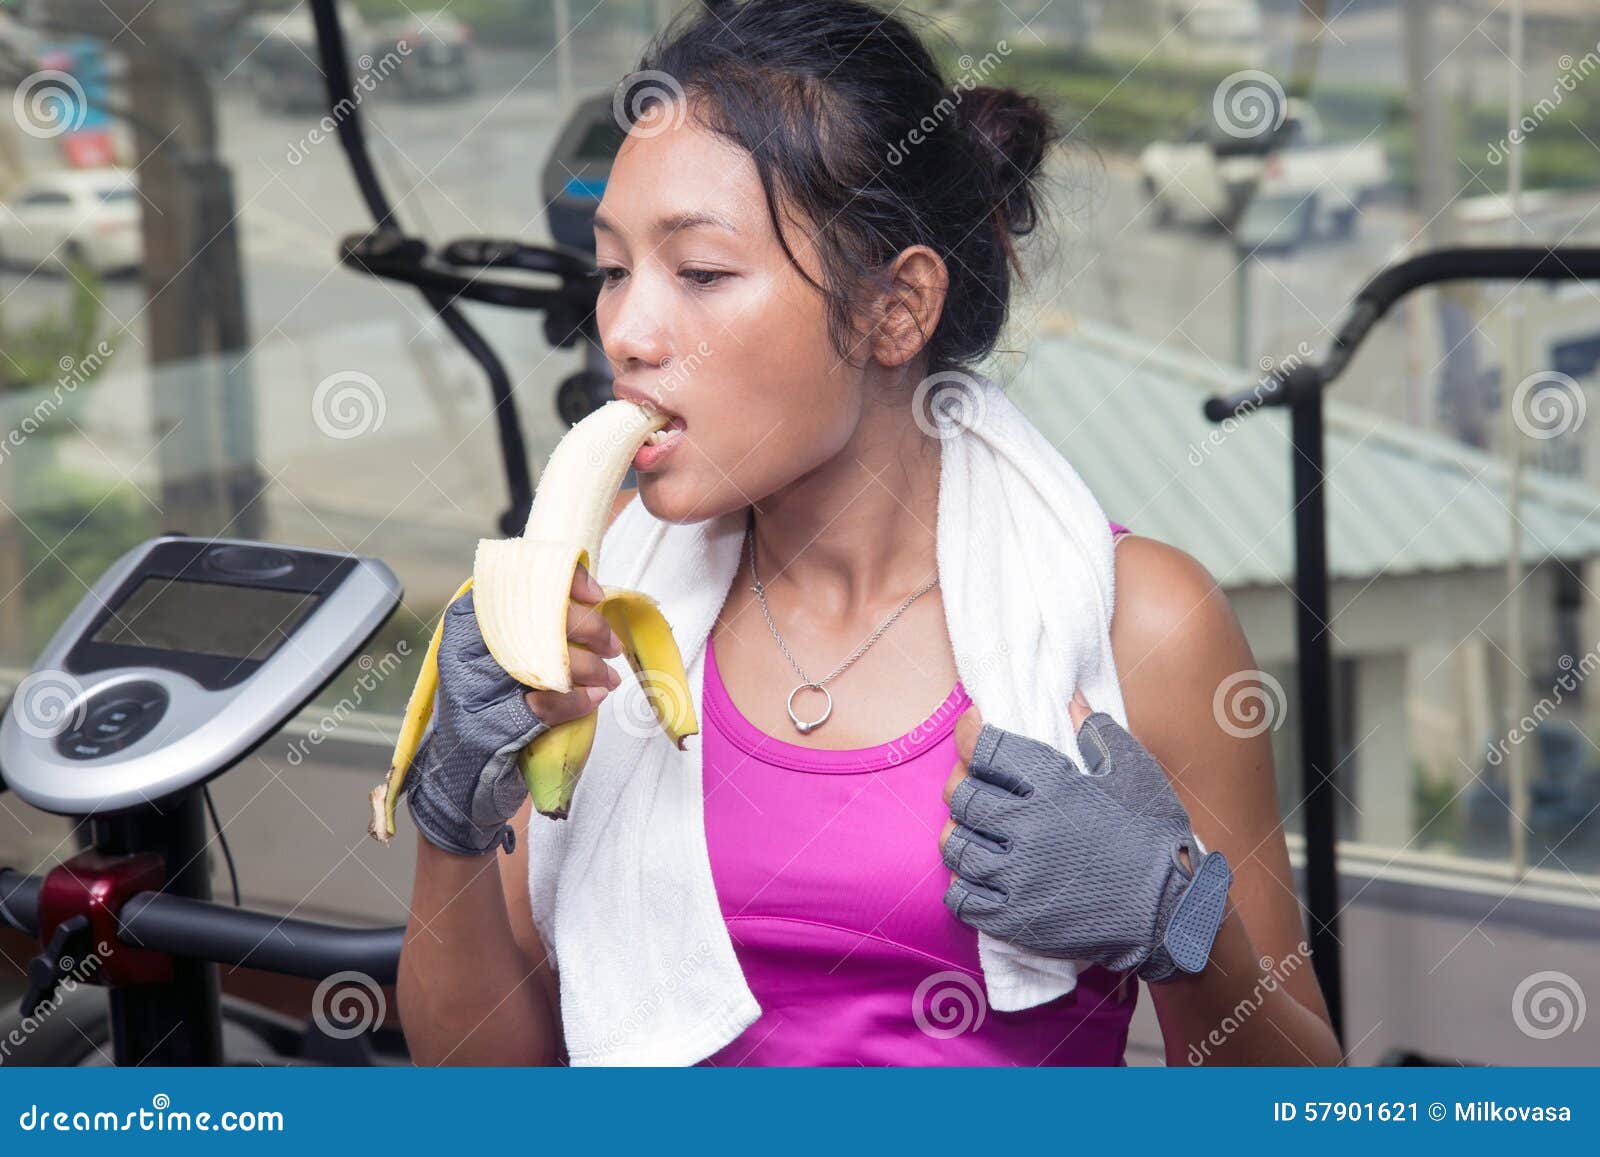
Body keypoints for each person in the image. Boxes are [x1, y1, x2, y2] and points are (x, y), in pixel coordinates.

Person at [396, 0, 1341, 1066]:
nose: (624, 328)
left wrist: (1179, 920)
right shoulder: (603, 603)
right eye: (614, 269)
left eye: (698, 273)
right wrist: (450, 822)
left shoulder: (1144, 626)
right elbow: (481, 1082)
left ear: (895, 311)